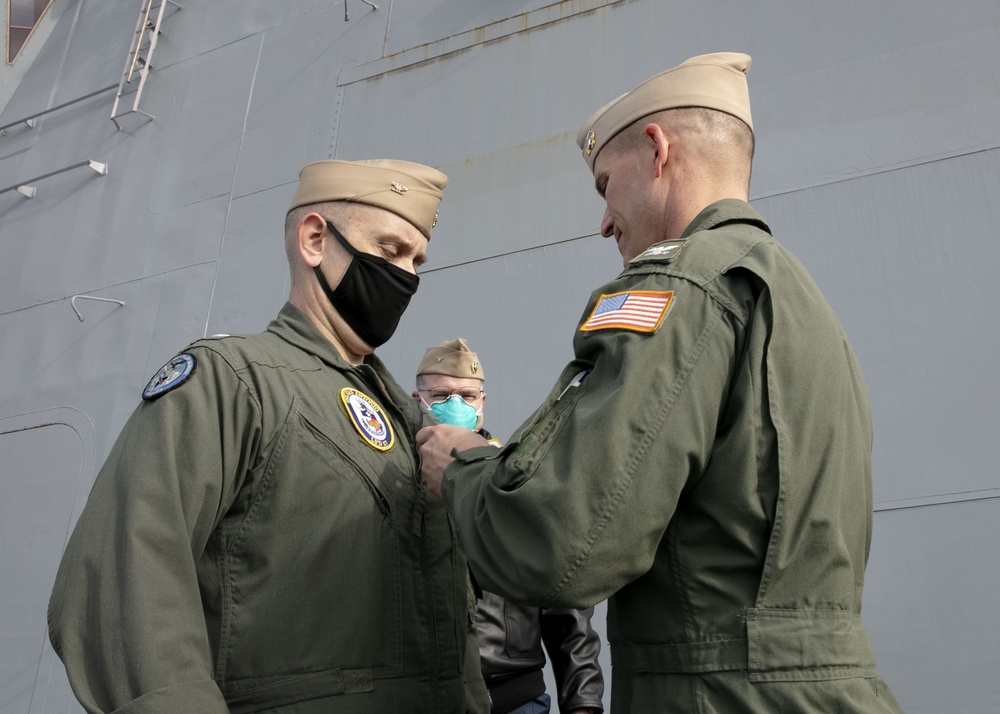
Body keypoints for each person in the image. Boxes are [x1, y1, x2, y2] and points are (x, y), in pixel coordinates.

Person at [417, 53, 904, 712]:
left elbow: (565, 547)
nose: (605, 221)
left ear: (657, 149)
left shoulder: (678, 285)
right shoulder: (797, 301)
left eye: (604, 185)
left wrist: (464, 467)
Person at [48, 159, 489, 713]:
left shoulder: (410, 421)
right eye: (390, 250)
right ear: (313, 240)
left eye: (417, 261)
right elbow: (122, 578)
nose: (406, 277)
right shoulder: (230, 381)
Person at [413, 339, 605, 714]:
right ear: (416, 399)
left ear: (482, 404)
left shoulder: (514, 481)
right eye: (440, 394)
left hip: (513, 696)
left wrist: (583, 703)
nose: (456, 404)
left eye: (467, 395)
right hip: (418, 694)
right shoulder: (390, 481)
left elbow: (562, 598)